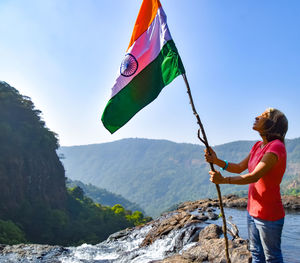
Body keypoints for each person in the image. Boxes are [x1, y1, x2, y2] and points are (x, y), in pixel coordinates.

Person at [204, 108, 288, 263]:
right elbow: (239, 167)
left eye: (263, 116)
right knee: (256, 253)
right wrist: (216, 161)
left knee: (272, 257)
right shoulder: (258, 146)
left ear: (272, 124)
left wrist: (223, 180)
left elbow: (254, 176)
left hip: (269, 215)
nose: (257, 117)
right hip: (252, 211)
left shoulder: (276, 147)